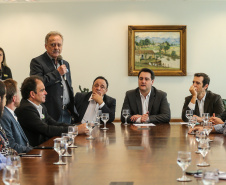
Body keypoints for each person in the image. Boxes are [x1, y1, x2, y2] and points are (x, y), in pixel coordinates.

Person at [15, 76, 88, 147]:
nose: (46, 93)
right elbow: (46, 129)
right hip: (32, 151)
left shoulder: (41, 106)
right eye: (42, 90)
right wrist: (75, 130)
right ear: (32, 94)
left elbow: (54, 124)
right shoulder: (26, 109)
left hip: (43, 147)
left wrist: (76, 127)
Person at [30, 31, 77, 124]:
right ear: (46, 46)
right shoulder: (37, 62)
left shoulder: (65, 63)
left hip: (66, 112)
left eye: (59, 45)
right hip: (50, 113)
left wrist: (71, 107)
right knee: (52, 139)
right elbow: (37, 84)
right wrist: (57, 73)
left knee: (68, 138)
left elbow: (68, 86)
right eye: (53, 45)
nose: (56, 48)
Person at [0, 79, 33, 153]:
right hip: (17, 159)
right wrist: (34, 150)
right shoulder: (5, 116)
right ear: (14, 98)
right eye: (18, 92)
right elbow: (11, 145)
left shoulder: (12, 113)